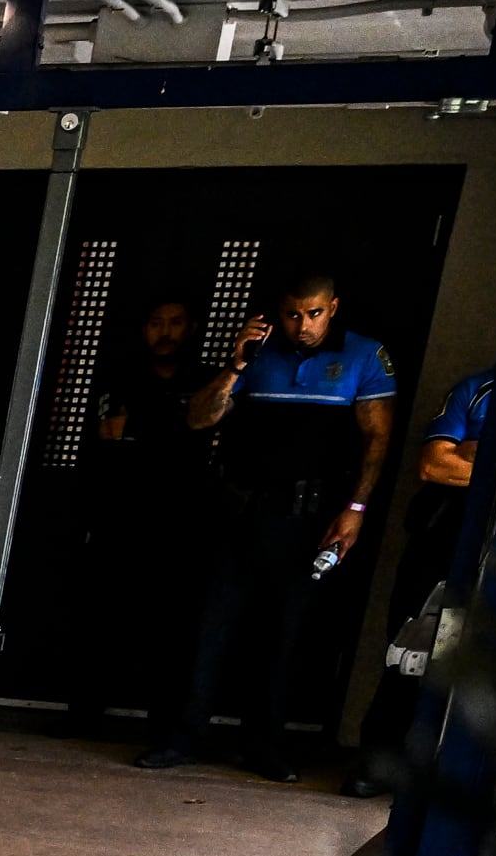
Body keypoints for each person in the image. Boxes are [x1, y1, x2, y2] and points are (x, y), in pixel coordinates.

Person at [141, 272, 399, 780]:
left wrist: (356, 511)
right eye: (293, 314)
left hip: (308, 518)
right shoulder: (255, 355)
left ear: (334, 307)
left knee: (283, 636)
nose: (302, 325)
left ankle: (263, 747)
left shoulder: (364, 356)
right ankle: (182, 738)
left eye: (315, 313)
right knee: (208, 627)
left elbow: (376, 441)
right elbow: (197, 419)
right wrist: (238, 362)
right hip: (237, 511)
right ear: (277, 312)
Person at [333, 366, 496, 807]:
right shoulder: (478, 387)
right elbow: (433, 464)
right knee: (412, 646)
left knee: (477, 660)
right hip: (444, 537)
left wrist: (476, 454)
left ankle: (444, 771)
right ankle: (379, 763)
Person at [80, 296, 219, 742]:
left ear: (192, 327)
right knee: (102, 619)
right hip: (120, 514)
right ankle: (83, 715)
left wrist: (147, 425)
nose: (165, 332)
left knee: (173, 630)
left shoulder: (205, 381)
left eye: (175, 323)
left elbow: (206, 433)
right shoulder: (121, 375)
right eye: (156, 322)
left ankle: (163, 727)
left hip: (181, 521)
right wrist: (174, 428)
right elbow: (109, 432)